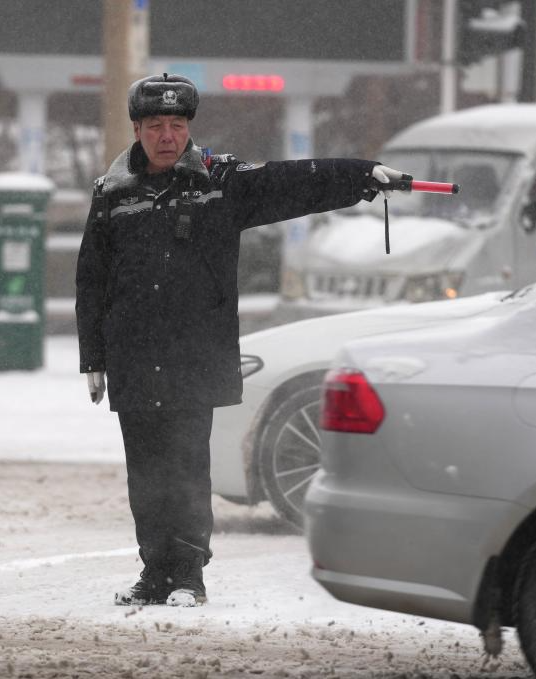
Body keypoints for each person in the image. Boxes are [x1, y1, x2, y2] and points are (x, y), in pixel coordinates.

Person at [76, 73, 405, 607]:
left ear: (188, 128)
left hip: (193, 354)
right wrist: (94, 355)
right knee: (146, 474)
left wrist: (363, 175)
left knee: (184, 468)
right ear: (137, 129)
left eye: (177, 125)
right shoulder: (111, 194)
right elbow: (92, 279)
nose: (167, 136)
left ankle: (187, 576)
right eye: (155, 125)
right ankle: (153, 573)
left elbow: (293, 182)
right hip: (134, 357)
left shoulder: (220, 182)